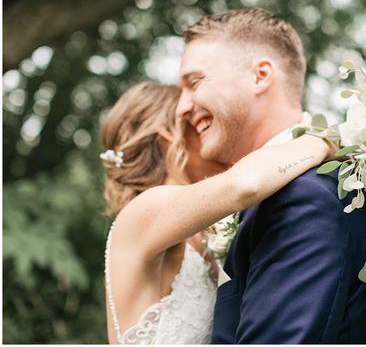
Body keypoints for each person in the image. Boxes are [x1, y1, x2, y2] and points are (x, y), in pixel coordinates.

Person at [177, 8, 366, 343]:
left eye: (196, 82)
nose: (182, 107)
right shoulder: (286, 191)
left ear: (260, 76)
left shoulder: (306, 197)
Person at [101, 81, 334, 344]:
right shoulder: (142, 211)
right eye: (200, 127)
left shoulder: (202, 233)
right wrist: (323, 141)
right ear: (168, 137)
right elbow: (243, 184)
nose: (214, 138)